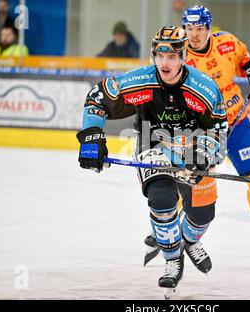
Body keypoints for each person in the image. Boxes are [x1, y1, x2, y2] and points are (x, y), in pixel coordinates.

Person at [77, 26, 228, 294]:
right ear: (153, 55)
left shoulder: (204, 88)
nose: (165, 62)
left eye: (172, 56)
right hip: (153, 142)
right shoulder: (138, 80)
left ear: (183, 57)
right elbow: (98, 97)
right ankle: (172, 259)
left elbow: (219, 129)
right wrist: (92, 137)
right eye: (160, 55)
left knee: (204, 214)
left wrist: (204, 154)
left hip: (193, 144)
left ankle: (188, 240)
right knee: (162, 199)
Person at [144, 5, 250, 262]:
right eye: (189, 29)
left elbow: (247, 63)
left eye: (199, 29)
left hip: (237, 124)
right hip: (200, 129)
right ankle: (166, 228)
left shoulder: (227, 44)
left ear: (209, 28)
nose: (194, 35)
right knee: (187, 178)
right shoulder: (178, 54)